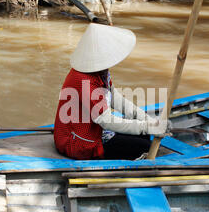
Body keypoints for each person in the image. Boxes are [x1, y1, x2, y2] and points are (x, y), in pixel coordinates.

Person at [54, 23, 166, 160]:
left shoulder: (100, 72)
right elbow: (106, 121)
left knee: (144, 135)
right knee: (145, 146)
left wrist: (147, 120)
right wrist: (146, 126)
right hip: (80, 143)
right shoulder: (84, 80)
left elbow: (115, 98)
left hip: (98, 131)